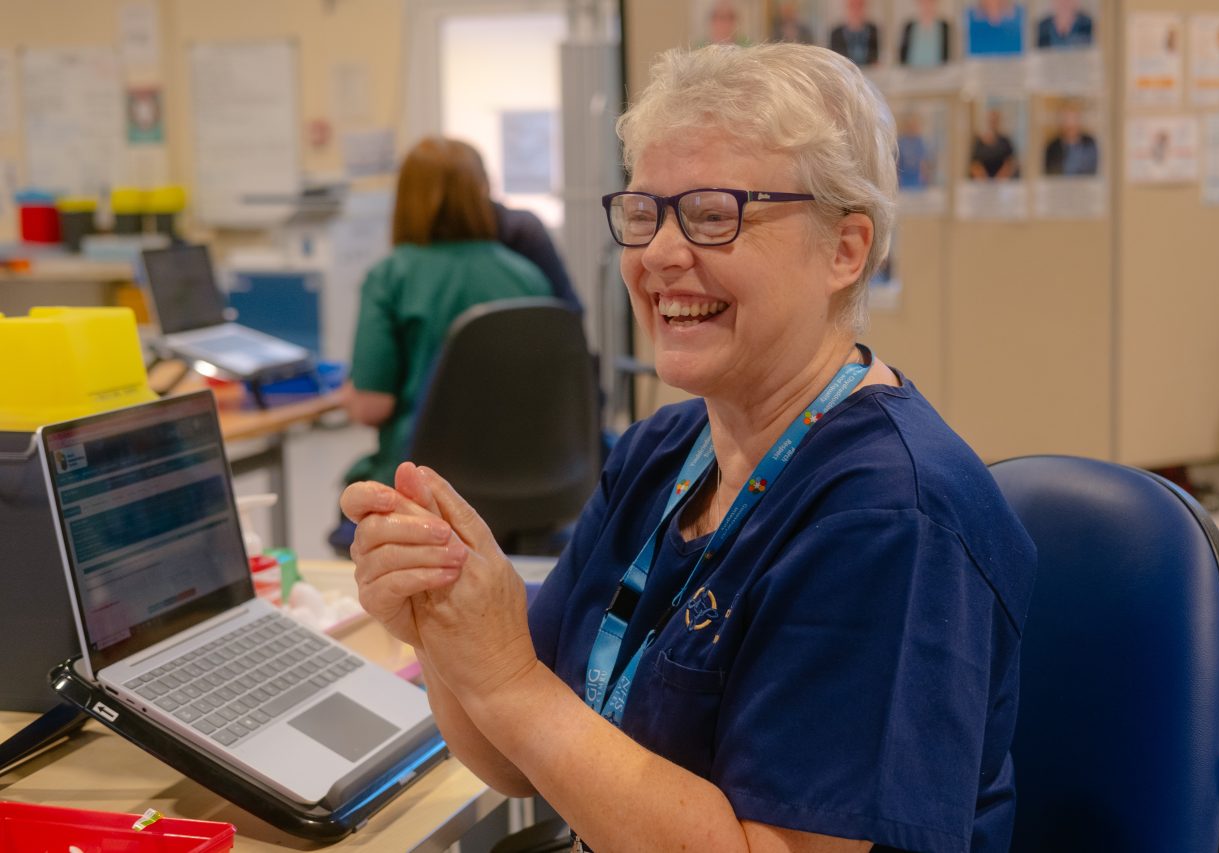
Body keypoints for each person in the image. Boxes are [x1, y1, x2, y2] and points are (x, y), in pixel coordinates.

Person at [342, 43, 1035, 852]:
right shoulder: (663, 452)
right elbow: (519, 760)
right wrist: (445, 629)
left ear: (845, 250)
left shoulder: (888, 517)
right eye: (645, 214)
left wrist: (507, 678)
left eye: (713, 215)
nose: (660, 255)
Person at [341, 137, 552, 494]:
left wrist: (349, 395)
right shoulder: (528, 276)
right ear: (482, 192)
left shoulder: (390, 277)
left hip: (422, 485)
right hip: (528, 479)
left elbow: (371, 406)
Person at [1043, 102, 1098, 176]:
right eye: (1066, 119)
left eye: (1073, 119)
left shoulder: (1090, 144)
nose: (1070, 124)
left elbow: (1092, 172)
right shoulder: (1052, 147)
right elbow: (1050, 173)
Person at [970, 106, 1020, 179]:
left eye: (995, 120)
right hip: (982, 181)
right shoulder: (979, 141)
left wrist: (1001, 177)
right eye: (991, 120)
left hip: (1002, 180)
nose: (992, 123)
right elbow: (975, 163)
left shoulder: (1005, 141)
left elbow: (1010, 162)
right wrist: (982, 177)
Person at [899, 0, 952, 67]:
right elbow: (902, 54)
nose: (927, 5)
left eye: (930, 2)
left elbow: (948, 55)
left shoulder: (944, 26)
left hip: (938, 70)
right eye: (923, 2)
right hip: (911, 70)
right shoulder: (909, 26)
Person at [828, 0, 879, 66]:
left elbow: (875, 58)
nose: (856, 10)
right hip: (845, 70)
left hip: (868, 70)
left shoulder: (873, 30)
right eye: (853, 6)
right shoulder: (836, 33)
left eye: (859, 6)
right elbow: (834, 60)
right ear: (847, 7)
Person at [897, 111, 934, 189]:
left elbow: (924, 163)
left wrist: (925, 177)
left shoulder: (920, 143)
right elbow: (897, 162)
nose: (912, 128)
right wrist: (897, 177)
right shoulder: (900, 142)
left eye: (914, 125)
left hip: (917, 179)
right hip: (903, 179)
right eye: (909, 125)